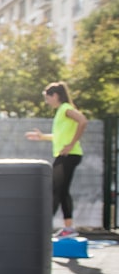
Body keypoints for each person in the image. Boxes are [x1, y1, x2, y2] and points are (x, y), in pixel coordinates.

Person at [25, 81, 88, 238]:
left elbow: (83, 121)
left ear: (56, 95)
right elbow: (59, 136)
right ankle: (68, 228)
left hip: (68, 155)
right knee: (61, 190)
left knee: (55, 189)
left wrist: (71, 144)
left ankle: (46, 226)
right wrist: (42, 137)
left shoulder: (66, 109)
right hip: (67, 155)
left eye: (48, 98)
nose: (47, 102)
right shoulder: (61, 111)